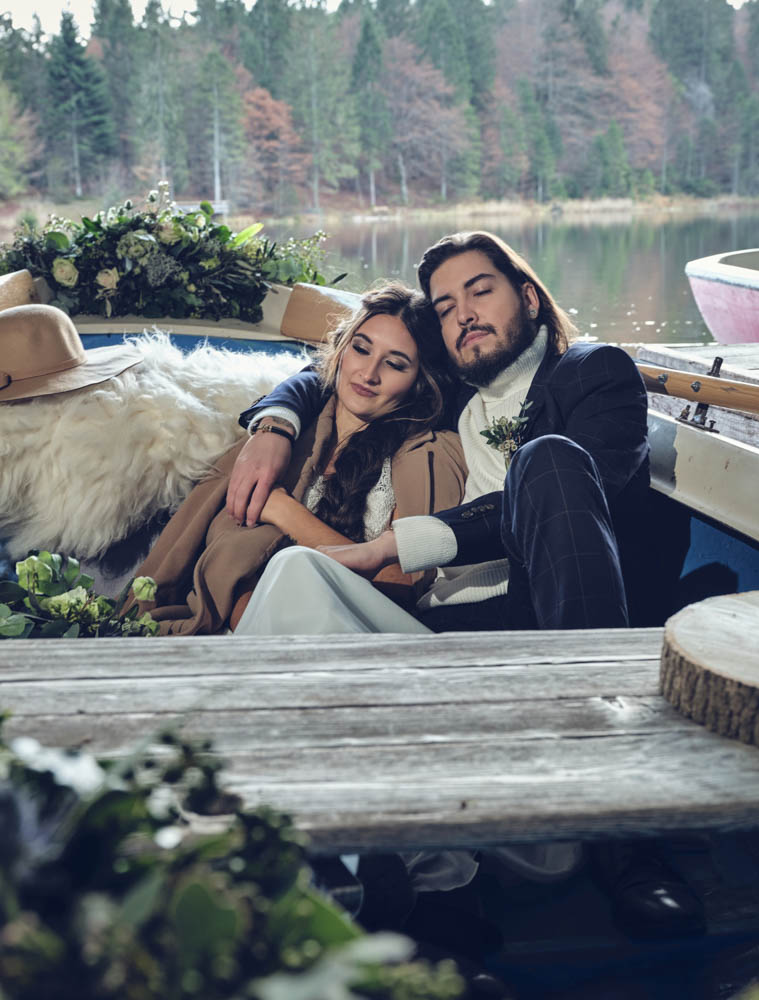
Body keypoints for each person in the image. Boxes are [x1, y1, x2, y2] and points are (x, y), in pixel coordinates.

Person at [228, 232, 704, 937]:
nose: (463, 317)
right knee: (296, 568)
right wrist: (275, 420)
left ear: (531, 298)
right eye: (446, 308)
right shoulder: (452, 387)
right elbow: (332, 373)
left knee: (547, 460)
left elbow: (585, 488)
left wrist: (395, 545)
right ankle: (326, 856)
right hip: (440, 640)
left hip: (547, 639)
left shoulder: (594, 375)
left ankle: (624, 833)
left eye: (480, 291)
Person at [131, 282, 466, 635]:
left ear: (419, 381)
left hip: (365, 632)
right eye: (361, 349)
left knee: (295, 565)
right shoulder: (274, 438)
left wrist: (284, 511)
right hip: (258, 631)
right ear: (342, 348)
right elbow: (223, 561)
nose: (368, 374)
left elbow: (400, 585)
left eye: (395, 364)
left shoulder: (430, 456)